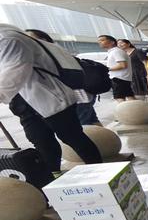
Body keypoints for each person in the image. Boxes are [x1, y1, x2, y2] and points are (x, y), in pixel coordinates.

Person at [0, 24, 102, 171]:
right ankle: (53, 176)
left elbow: (14, 72)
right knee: (41, 140)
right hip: (23, 100)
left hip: (50, 96)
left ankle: (100, 171)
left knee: (72, 137)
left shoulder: (9, 39)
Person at [26, 28, 101, 126]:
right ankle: (108, 140)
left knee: (84, 125)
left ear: (43, 40)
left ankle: (101, 140)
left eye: (30, 38)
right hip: (79, 95)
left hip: (76, 96)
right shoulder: (56, 50)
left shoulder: (50, 53)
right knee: (91, 120)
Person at [98, 35, 134, 103]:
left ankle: (127, 112)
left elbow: (123, 65)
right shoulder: (114, 51)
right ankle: (135, 111)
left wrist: (107, 69)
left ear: (112, 42)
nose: (100, 42)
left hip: (119, 78)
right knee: (129, 96)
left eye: (102, 40)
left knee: (120, 98)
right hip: (121, 78)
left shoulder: (116, 51)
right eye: (99, 41)